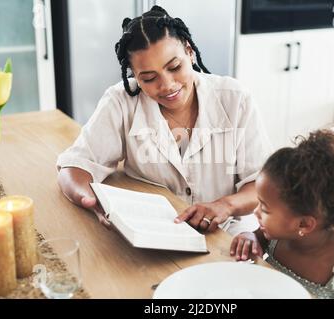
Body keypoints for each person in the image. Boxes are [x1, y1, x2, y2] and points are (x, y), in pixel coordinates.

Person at [56, 5, 272, 235]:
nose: (167, 85)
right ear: (134, 76)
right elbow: (75, 166)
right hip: (154, 235)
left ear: (189, 51)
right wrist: (88, 199)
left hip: (227, 233)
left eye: (175, 67)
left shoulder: (235, 99)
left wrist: (225, 205)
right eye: (149, 78)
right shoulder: (121, 101)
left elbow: (262, 186)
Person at [230, 130, 334, 299]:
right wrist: (250, 238)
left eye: (265, 208)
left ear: (304, 224)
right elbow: (256, 238)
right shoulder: (276, 235)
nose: (256, 211)